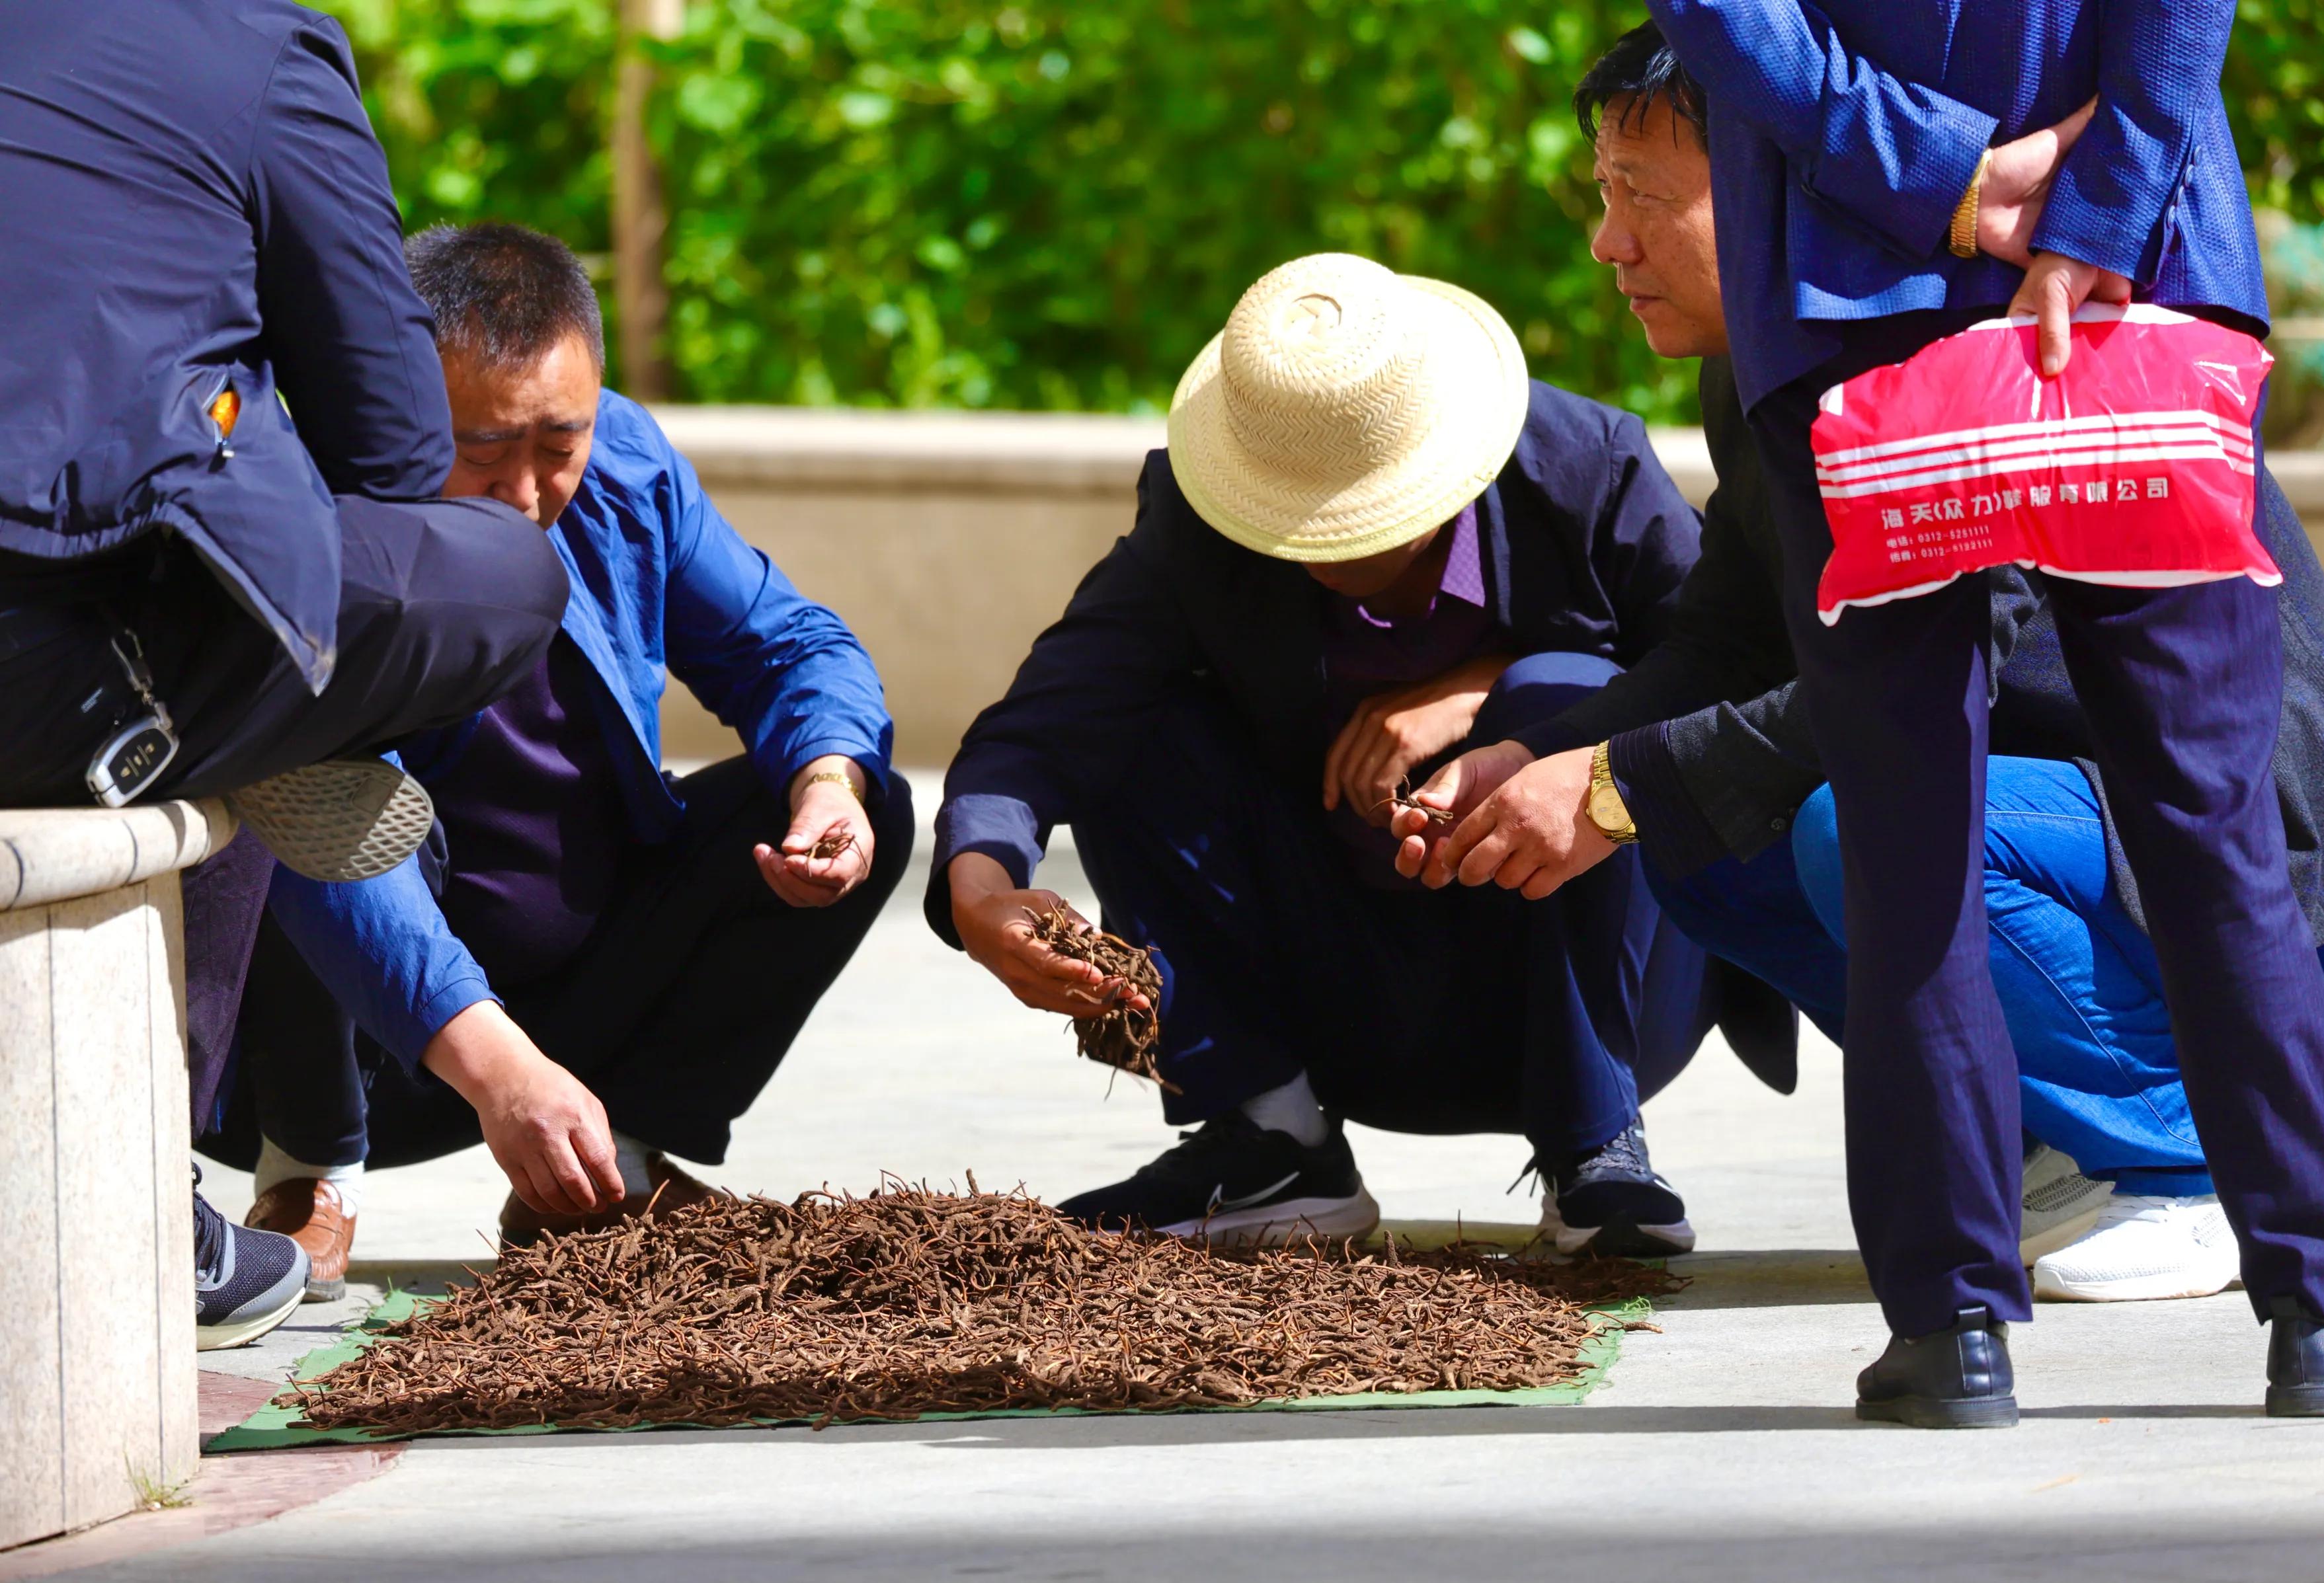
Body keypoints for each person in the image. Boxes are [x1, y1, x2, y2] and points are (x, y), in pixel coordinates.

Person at [1406, 8, 2324, 1424]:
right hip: (2142, 267)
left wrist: (1946, 181)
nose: (1609, 242)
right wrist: (2093, 202)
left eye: (1634, 201)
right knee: (2197, 813)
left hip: (1853, 291)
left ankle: (1952, 1328)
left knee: (1902, 834)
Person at [928, 250, 1788, 1256]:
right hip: (1345, 996)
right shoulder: (1196, 523)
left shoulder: (1589, 467)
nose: (1332, 542)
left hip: (1608, 987)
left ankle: (1596, 1147)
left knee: (1573, 691)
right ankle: (1272, 1140)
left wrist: (1489, 690)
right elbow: (1049, 717)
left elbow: (1728, 675)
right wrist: (980, 886)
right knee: (1139, 724)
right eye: (1295, 512)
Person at [0, 3, 573, 1348]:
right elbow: (392, 441)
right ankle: (148, 1211)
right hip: (52, 676)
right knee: (491, 574)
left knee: (265, 619)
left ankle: (221, 731)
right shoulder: (256, 44)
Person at [195, 224, 910, 1301]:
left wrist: (825, 786)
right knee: (328, 800)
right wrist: (500, 1070)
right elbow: (305, 804)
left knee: (862, 795)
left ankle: (603, 1167)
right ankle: (310, 1169)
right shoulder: (300, 500)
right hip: (371, 1051)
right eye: (481, 452)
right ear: (389, 399)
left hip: (565, 1004)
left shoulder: (625, 458)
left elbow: (789, 644)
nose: (526, 492)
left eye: (556, 447)